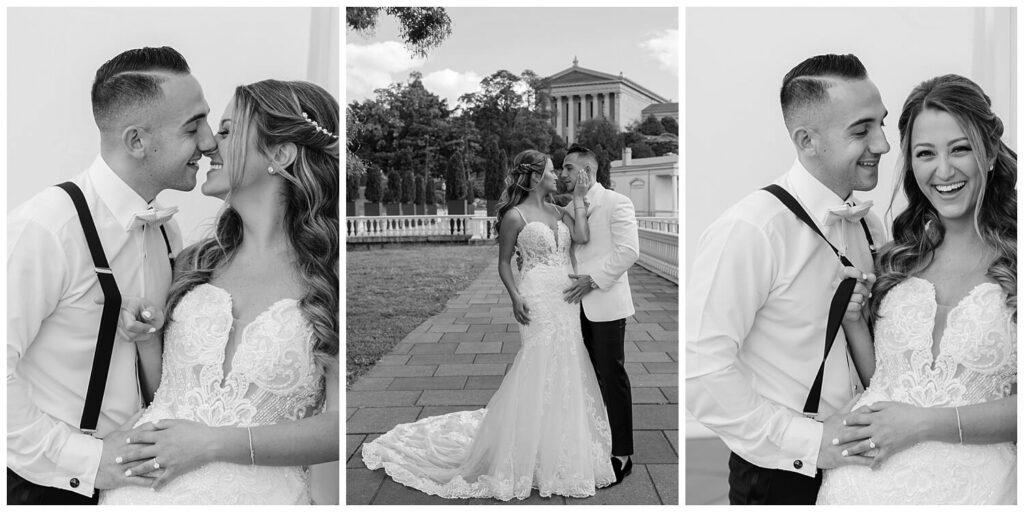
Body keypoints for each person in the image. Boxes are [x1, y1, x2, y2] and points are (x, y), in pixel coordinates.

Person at [98, 79, 340, 504]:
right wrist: (148, 339)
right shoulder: (195, 262)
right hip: (141, 494)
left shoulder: (330, 277)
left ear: (280, 155)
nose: (209, 144)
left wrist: (211, 444)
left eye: (227, 131)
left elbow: (340, 428)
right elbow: (169, 392)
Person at [7, 46, 216, 505]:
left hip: (140, 488)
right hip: (47, 487)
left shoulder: (166, 230)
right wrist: (88, 461)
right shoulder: (47, 228)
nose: (209, 141)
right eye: (192, 126)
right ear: (136, 141)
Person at [686, 53, 889, 505]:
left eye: (882, 124)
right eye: (861, 130)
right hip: (782, 476)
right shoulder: (751, 229)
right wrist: (810, 444)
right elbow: (701, 373)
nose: (882, 144)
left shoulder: (870, 227)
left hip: (870, 471)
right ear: (806, 140)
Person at [362, 149, 616, 500]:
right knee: (537, 362)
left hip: (565, 298)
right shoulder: (514, 216)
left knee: (567, 362)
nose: (557, 175)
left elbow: (583, 237)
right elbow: (504, 263)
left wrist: (576, 200)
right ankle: (522, 448)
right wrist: (515, 297)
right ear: (534, 176)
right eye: (551, 171)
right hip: (536, 296)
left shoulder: (560, 210)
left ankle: (557, 445)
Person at [817, 74, 1016, 505]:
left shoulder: (1016, 263)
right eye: (926, 154)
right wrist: (854, 323)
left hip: (974, 490)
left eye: (960, 148)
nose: (943, 171)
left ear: (990, 153)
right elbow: (888, 382)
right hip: (861, 490)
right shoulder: (898, 258)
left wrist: (921, 425)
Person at [559, 144, 640, 482]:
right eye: (561, 169)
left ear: (586, 171)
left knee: (612, 377)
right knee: (586, 377)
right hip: (570, 307)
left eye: (567, 168)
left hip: (605, 303)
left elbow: (628, 252)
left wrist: (592, 281)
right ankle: (594, 440)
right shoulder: (567, 206)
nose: (562, 174)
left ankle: (622, 452)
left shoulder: (617, 202)